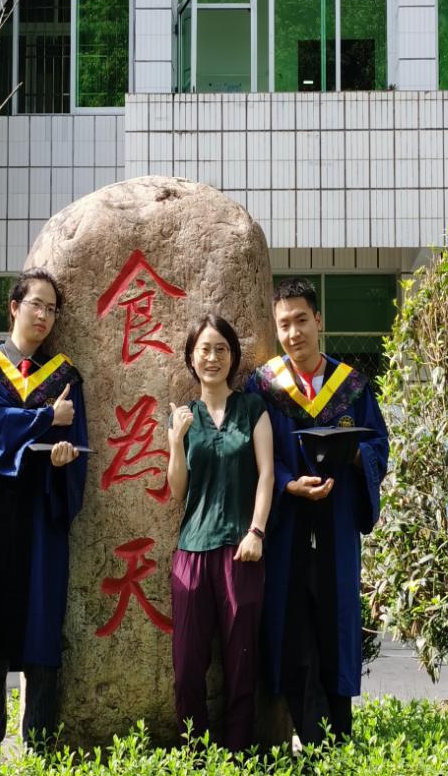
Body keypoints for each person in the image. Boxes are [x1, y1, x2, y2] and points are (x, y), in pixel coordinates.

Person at [246, 277, 389, 746]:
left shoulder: (352, 387)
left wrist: (354, 454)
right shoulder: (264, 387)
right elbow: (251, 450)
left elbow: (380, 446)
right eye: (284, 324)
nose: (294, 333)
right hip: (287, 526)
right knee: (292, 629)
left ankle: (338, 741)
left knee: (336, 627)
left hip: (336, 523)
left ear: (319, 320)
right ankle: (310, 741)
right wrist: (288, 481)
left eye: (301, 320)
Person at [0, 268, 88, 756]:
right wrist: (46, 418)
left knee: (41, 621)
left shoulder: (64, 376)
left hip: (42, 509)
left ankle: (39, 744)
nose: (44, 316)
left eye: (52, 309)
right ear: (14, 307)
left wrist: (62, 458)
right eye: (37, 304)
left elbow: (76, 442)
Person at [167, 314, 273, 752]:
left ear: (232, 356)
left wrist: (257, 531)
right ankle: (194, 753)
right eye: (204, 350)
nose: (212, 358)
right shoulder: (183, 416)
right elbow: (178, 491)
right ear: (191, 358)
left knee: (241, 660)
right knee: (187, 665)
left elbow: (266, 475)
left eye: (221, 349)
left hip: (240, 551)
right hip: (191, 552)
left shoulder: (252, 409)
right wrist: (176, 442)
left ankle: (238, 753)